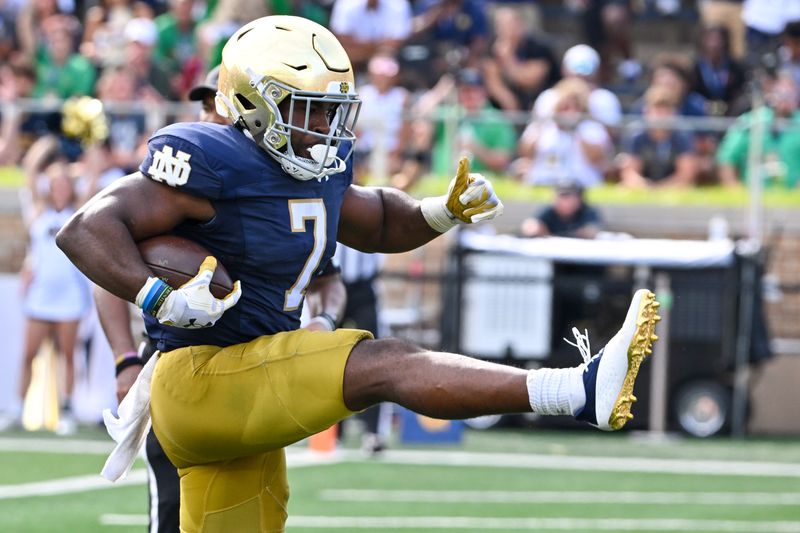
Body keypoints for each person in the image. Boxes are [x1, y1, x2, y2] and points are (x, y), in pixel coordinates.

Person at [57, 16, 660, 532]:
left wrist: (440, 211)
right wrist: (154, 293)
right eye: (308, 110)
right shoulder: (211, 159)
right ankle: (574, 390)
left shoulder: (312, 166)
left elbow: (370, 218)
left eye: (330, 111)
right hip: (199, 380)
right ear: (252, 103)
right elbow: (86, 228)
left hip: (252, 373)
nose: (324, 128)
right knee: (384, 363)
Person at [92, 65, 348, 533]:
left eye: (220, 104)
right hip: (180, 369)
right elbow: (104, 263)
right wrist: (125, 358)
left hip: (254, 369)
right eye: (206, 104)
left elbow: (327, 274)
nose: (212, 114)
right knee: (172, 512)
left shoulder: (277, 185)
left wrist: (325, 320)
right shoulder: (175, 183)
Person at [716, 71, 800, 188]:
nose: (785, 100)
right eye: (781, 93)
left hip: (793, 200)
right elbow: (726, 158)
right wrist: (735, 191)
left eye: (791, 95)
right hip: (754, 199)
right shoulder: (752, 121)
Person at [617, 85, 699, 188]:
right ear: (646, 111)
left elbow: (686, 175)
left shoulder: (682, 134)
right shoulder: (635, 133)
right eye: (657, 109)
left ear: (674, 112)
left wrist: (660, 188)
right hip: (645, 186)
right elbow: (630, 173)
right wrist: (646, 187)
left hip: (671, 187)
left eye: (666, 110)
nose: (661, 116)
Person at [520, 180, 602, 239]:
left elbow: (592, 231)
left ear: (579, 198)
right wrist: (536, 229)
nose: (565, 201)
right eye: (562, 196)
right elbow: (530, 224)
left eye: (568, 195)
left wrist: (568, 235)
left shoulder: (587, 211)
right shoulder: (549, 211)